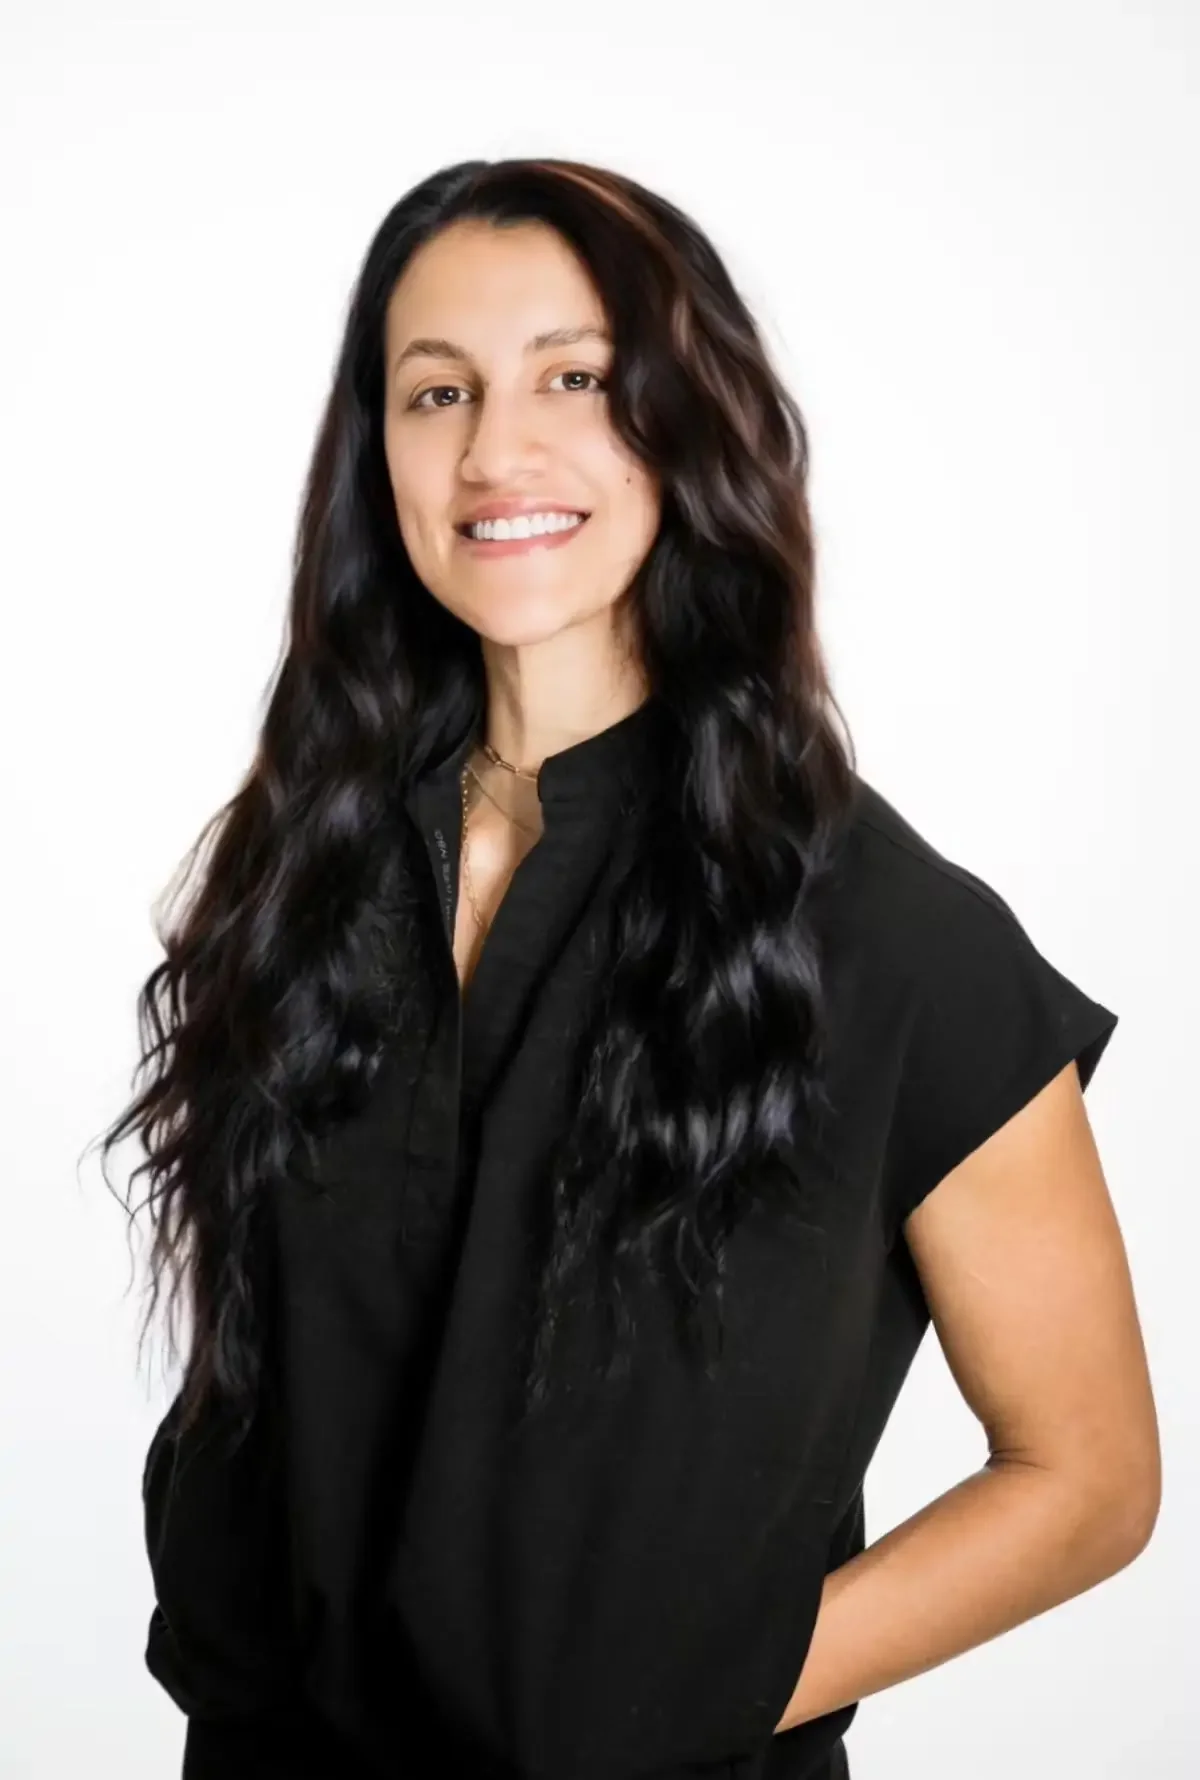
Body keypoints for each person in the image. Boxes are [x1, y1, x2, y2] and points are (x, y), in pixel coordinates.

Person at [102, 157, 1158, 1780]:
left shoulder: (889, 936)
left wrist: (706, 1692)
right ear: (372, 450)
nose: (494, 449)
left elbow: (1088, 1477)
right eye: (434, 390)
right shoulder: (295, 874)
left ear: (688, 418)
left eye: (577, 378)